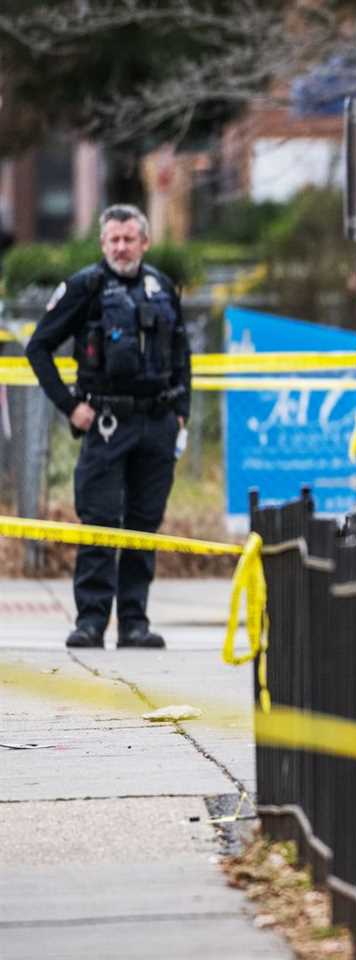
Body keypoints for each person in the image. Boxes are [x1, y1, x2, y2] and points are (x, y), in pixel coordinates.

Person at [25, 204, 191, 649]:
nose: (121, 247)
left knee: (142, 523)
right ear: (103, 244)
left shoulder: (161, 287)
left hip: (157, 423)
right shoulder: (86, 287)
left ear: (145, 242)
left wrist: (182, 413)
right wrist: (69, 405)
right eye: (113, 239)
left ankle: (134, 621)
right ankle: (92, 621)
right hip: (106, 424)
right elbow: (38, 347)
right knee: (99, 522)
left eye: (129, 239)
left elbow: (182, 353)